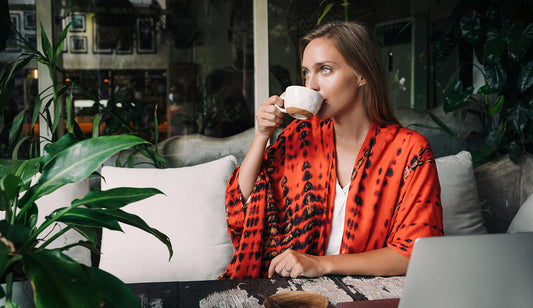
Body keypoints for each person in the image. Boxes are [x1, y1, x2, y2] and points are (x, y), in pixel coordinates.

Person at [219, 21, 443, 280]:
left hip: (370, 294)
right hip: (295, 293)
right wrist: (261, 135)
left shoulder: (409, 151)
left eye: (325, 69)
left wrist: (322, 264)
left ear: (362, 75)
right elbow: (242, 208)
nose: (311, 85)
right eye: (306, 73)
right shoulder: (300, 138)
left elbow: (414, 252)